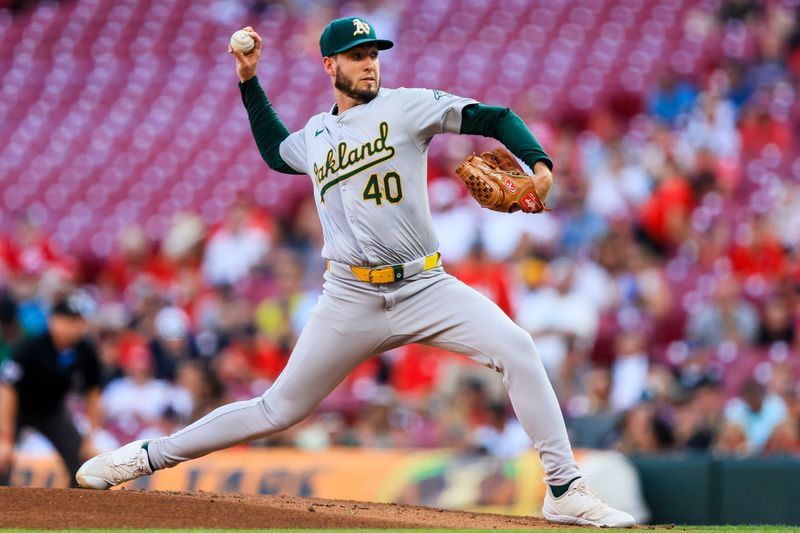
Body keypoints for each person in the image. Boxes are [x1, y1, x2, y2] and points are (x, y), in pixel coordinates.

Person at [76, 17, 635, 527]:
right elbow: (276, 151)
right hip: (348, 295)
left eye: (373, 52)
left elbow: (494, 117)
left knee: (516, 348)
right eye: (356, 54)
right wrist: (249, 80)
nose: (370, 62)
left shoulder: (408, 105)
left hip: (424, 284)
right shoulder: (318, 135)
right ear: (330, 65)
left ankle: (563, 488)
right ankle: (143, 457)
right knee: (276, 409)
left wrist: (538, 163)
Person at [0, 296, 103, 487]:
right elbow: (7, 389)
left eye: (79, 320)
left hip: (52, 411)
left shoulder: (85, 351)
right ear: (53, 321)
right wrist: (5, 438)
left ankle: (80, 509)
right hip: (18, 409)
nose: (76, 326)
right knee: (2, 457)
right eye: (70, 320)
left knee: (83, 461)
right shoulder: (31, 347)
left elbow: (93, 393)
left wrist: (90, 438)